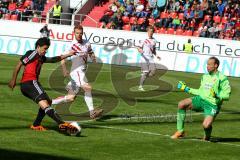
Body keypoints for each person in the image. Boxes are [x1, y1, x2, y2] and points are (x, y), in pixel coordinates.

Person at [8, 37, 78, 134]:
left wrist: (68, 54)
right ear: (38, 47)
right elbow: (19, 64)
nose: (46, 51)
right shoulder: (33, 53)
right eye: (45, 49)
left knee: (47, 102)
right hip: (30, 83)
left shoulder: (41, 57)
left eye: (47, 49)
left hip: (31, 84)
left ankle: (36, 125)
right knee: (45, 104)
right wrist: (13, 80)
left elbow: (54, 59)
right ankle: (62, 123)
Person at [171, 56, 231, 141]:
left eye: (210, 64)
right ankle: (180, 131)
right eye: (207, 64)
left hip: (212, 105)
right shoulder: (205, 76)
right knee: (181, 104)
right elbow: (200, 91)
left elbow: (227, 95)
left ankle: (207, 136)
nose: (207, 66)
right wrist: (186, 88)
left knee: (206, 125)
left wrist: (218, 96)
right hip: (200, 100)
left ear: (216, 65)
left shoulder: (222, 78)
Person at [51, 25, 103, 119]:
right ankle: (92, 112)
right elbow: (62, 57)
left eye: (80, 33)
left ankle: (49, 102)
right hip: (76, 71)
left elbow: (90, 51)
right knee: (87, 88)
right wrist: (64, 69)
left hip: (81, 72)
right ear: (74, 33)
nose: (79, 35)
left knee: (71, 97)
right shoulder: (72, 45)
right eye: (77, 33)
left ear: (83, 33)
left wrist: (93, 58)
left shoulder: (87, 43)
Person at [137, 26, 160, 91]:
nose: (151, 32)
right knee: (145, 72)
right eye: (150, 31)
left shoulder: (154, 40)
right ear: (147, 31)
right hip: (144, 57)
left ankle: (143, 75)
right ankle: (140, 86)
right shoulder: (144, 39)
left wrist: (157, 55)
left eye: (152, 31)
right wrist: (140, 50)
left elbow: (153, 50)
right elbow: (138, 47)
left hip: (150, 57)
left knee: (153, 71)